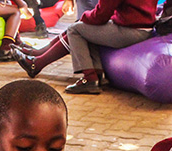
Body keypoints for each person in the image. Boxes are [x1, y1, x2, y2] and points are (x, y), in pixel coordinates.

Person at [11, 0, 157, 93]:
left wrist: (84, 17)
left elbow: (101, 14)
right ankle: (38, 59)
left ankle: (89, 78)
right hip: (143, 28)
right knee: (85, 28)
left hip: (130, 30)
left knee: (75, 29)